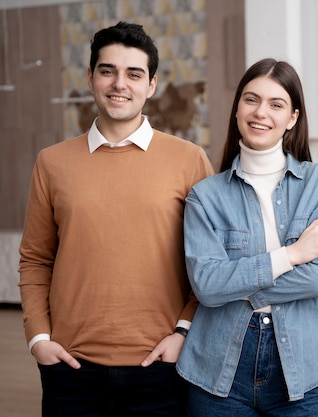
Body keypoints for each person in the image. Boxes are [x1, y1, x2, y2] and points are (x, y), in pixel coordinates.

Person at [18, 21, 214, 416]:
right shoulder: (52, 163)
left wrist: (183, 333)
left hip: (162, 367)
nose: (118, 84)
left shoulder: (189, 159)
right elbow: (36, 259)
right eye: (107, 71)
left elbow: (210, 262)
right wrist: (38, 338)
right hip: (69, 369)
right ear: (90, 77)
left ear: (152, 84)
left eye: (133, 74)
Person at [176, 58, 318, 416]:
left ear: (293, 118)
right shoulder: (204, 196)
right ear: (237, 107)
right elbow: (207, 286)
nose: (261, 113)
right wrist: (292, 255)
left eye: (276, 104)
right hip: (219, 370)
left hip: (308, 365)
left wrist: (233, 286)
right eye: (251, 99)